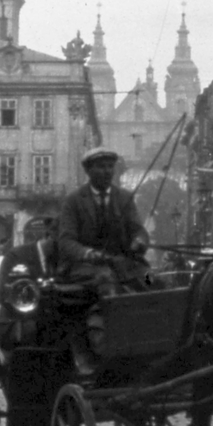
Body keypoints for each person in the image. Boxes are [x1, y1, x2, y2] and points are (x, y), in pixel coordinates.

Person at [54, 147, 150, 377]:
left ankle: (151, 346)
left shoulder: (124, 198)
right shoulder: (74, 201)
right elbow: (66, 241)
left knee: (152, 281)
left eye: (110, 167)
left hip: (121, 264)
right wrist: (88, 253)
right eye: (101, 167)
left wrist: (139, 242)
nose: (107, 172)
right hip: (83, 268)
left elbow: (138, 230)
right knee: (105, 280)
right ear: (88, 170)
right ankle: (107, 348)